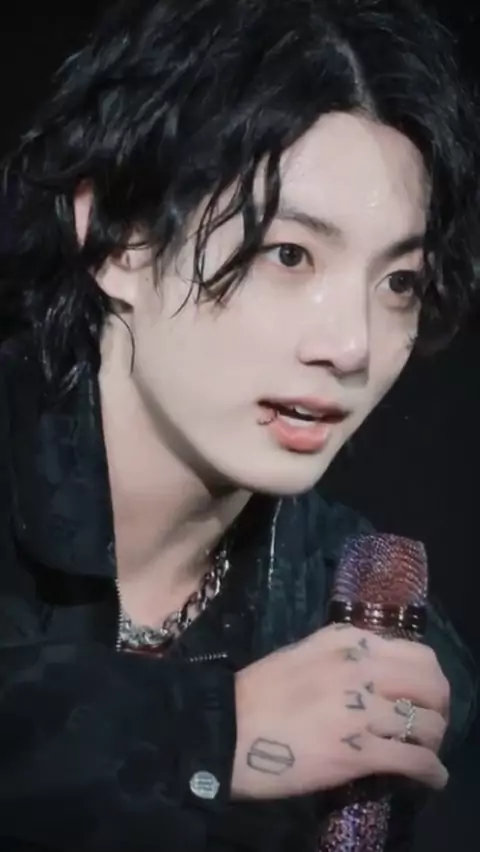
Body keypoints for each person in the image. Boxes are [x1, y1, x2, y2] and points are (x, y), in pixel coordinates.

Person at [0, 0, 478, 849]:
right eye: (288, 255)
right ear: (119, 240)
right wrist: (215, 732)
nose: (353, 346)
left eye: (397, 282)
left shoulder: (362, 633)